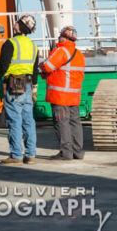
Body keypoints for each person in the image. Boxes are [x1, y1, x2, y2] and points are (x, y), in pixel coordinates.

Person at [0, 13, 39, 165]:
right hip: (28, 83)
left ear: (21, 26)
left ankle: (16, 155)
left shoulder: (10, 43)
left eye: (17, 22)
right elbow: (35, 69)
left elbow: (3, 65)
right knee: (28, 120)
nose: (15, 24)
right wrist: (34, 88)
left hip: (15, 83)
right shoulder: (33, 46)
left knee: (14, 119)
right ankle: (31, 155)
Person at [40, 25, 86, 161]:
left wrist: (42, 66)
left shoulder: (61, 51)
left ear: (63, 37)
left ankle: (66, 153)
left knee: (62, 123)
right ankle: (78, 152)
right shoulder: (79, 54)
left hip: (60, 96)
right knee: (75, 123)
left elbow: (47, 66)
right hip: (74, 95)